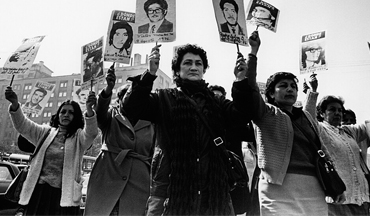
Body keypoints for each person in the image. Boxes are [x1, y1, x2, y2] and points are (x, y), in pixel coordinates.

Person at [123, 40, 255, 215]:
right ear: (177, 70)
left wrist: (240, 80)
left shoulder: (216, 102)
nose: (194, 67)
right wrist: (150, 74)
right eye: (188, 63)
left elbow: (242, 115)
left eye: (198, 64)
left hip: (214, 195)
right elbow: (130, 108)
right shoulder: (164, 98)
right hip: (169, 194)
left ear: (204, 70)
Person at [244, 31, 344, 215]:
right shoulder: (265, 114)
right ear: (271, 93)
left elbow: (321, 148)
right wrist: (253, 52)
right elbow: (248, 88)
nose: (290, 89)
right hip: (277, 188)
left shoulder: (306, 117)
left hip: (314, 187)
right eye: (283, 85)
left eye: (293, 86)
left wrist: (335, 183)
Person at [5, 86, 99, 216]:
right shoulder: (45, 132)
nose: (66, 115)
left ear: (76, 116)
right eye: (63, 111)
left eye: (71, 112)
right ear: (58, 114)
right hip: (38, 193)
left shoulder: (79, 137)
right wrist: (15, 104)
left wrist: (89, 109)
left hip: (63, 197)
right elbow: (23, 125)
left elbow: (92, 133)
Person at [84, 66, 155, 216]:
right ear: (121, 100)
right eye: (126, 96)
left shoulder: (152, 124)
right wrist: (108, 89)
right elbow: (100, 113)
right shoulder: (111, 117)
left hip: (138, 185)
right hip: (107, 177)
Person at [304, 76, 370, 216]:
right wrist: (313, 90)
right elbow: (307, 117)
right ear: (322, 113)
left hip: (361, 199)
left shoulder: (349, 131)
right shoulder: (320, 129)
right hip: (337, 200)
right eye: (332, 110)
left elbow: (367, 126)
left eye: (340, 110)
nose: (337, 113)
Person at [209, 84, 253, 215]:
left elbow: (250, 134)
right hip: (210, 176)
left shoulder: (234, 122)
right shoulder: (202, 124)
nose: (217, 101)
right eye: (214, 97)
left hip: (233, 176)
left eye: (220, 98)